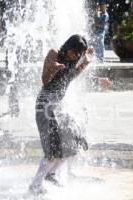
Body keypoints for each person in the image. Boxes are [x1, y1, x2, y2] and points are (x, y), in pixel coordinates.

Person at [29, 35, 112, 194]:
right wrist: (53, 67)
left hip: (58, 108)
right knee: (52, 150)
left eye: (79, 54)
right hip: (45, 107)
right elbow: (45, 80)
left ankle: (51, 175)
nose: (76, 56)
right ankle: (35, 185)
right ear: (68, 46)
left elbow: (77, 76)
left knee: (72, 144)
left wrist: (98, 78)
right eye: (75, 52)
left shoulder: (74, 63)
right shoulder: (54, 54)